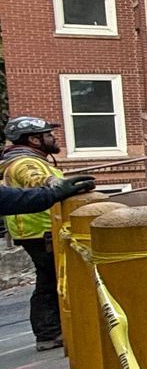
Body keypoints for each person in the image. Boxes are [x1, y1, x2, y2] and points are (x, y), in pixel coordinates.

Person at [3, 117, 96, 352]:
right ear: (34, 139)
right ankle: (49, 332)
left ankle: (52, 330)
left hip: (38, 230)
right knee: (50, 280)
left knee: (51, 278)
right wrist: (56, 185)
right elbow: (36, 180)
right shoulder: (25, 162)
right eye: (47, 134)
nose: (52, 137)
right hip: (41, 231)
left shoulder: (25, 159)